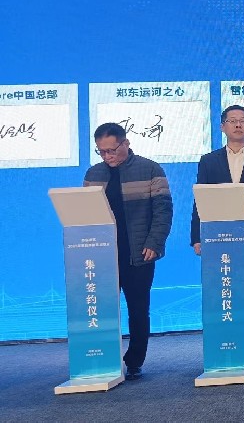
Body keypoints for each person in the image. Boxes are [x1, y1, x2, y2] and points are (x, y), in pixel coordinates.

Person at [191, 105, 244, 370]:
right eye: (232, 120)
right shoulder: (209, 161)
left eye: (243, 121)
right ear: (222, 127)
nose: (238, 125)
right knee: (223, 293)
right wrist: (197, 237)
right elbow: (199, 201)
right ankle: (224, 347)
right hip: (218, 240)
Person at [84, 122, 173, 380]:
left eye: (112, 150)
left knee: (137, 308)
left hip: (139, 253)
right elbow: (85, 214)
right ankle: (104, 358)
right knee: (102, 308)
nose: (107, 156)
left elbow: (163, 211)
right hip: (103, 255)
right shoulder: (93, 174)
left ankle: (134, 361)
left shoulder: (150, 169)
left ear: (126, 143)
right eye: (101, 151)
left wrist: (155, 243)